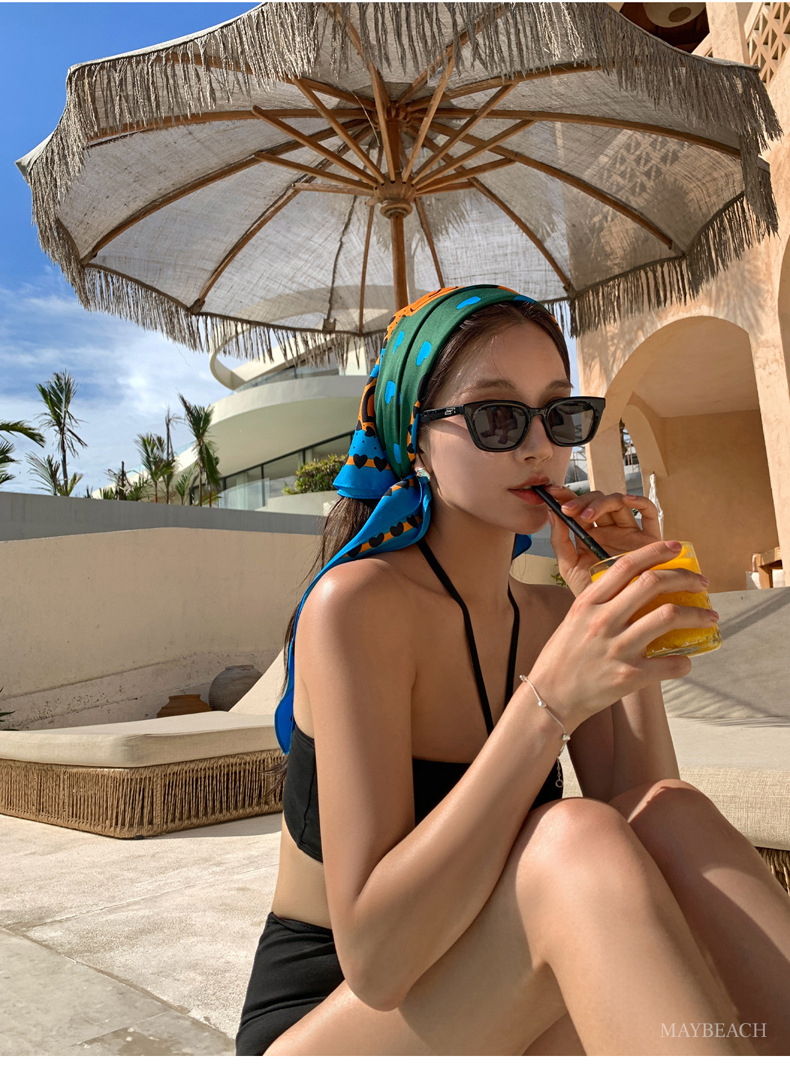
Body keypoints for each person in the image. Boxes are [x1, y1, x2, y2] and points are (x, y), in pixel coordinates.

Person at [236, 285, 790, 1056]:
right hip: (332, 1019)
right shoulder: (356, 606)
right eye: (497, 417)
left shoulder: (550, 614)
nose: (538, 447)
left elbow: (645, 818)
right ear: (417, 442)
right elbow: (376, 963)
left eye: (559, 414)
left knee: (671, 811)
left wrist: (615, 596)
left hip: (496, 981)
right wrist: (548, 700)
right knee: (571, 842)